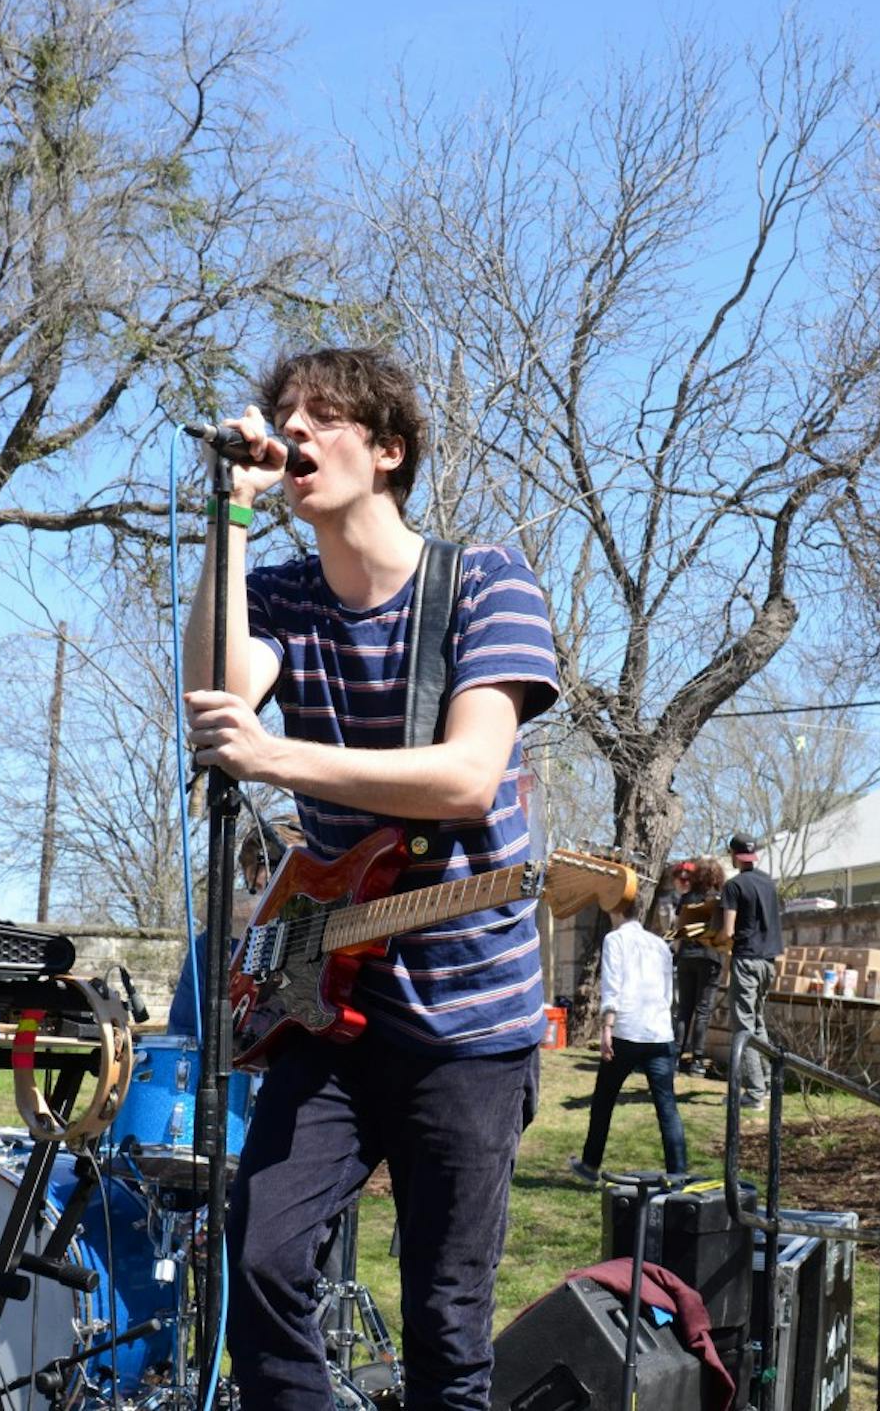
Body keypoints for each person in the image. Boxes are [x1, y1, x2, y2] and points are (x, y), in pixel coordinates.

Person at [182, 345, 558, 1411]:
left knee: (446, 1320)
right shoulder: (284, 595)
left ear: (388, 450)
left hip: (472, 1024)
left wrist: (277, 757)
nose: (289, 428)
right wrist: (229, 514)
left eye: (320, 416)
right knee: (258, 1254)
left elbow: (467, 776)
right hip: (329, 1007)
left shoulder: (484, 579)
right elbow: (216, 697)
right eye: (279, 413)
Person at [568, 894, 687, 1188]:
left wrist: (607, 1027)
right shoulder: (659, 944)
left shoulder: (614, 940)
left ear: (615, 907)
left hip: (627, 1031)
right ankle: (678, 1172)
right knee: (667, 1106)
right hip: (659, 1032)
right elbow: (668, 990)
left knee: (604, 1100)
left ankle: (590, 1164)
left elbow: (612, 984)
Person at [166, 817, 302, 1038]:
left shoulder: (334, 932)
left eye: (277, 868)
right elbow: (184, 1037)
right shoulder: (211, 947)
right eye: (257, 886)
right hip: (238, 1065)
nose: (261, 880)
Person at [714, 832, 783, 1112]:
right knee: (757, 1023)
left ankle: (754, 1094)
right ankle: (766, 1084)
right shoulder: (768, 883)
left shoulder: (734, 886)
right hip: (768, 963)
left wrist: (713, 938)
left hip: (746, 960)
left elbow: (728, 931)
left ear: (733, 855)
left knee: (743, 1027)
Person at [673, 856, 725, 1076]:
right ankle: (697, 1060)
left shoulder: (686, 898)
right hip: (709, 958)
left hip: (686, 956)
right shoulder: (720, 900)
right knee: (702, 1011)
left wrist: (678, 953)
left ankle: (674, 1057)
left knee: (683, 1009)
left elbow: (678, 930)